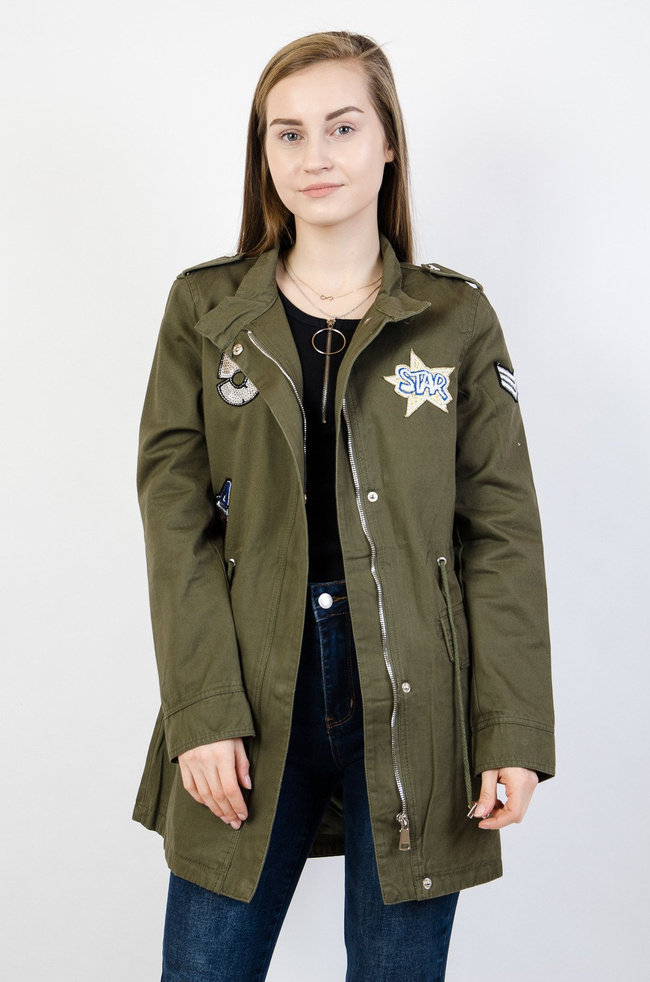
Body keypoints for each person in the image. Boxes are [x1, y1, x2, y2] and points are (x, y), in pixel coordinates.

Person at [132, 30, 555, 982]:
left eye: (342, 127)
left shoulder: (454, 318)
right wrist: (202, 711)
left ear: (389, 142)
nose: (314, 155)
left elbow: (502, 533)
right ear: (264, 154)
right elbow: (174, 522)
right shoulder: (205, 312)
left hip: (417, 699)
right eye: (288, 133)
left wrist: (512, 731)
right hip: (248, 689)